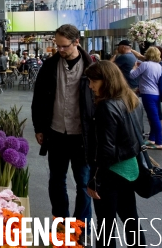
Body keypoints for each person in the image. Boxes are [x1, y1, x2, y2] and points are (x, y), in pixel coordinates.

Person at [32, 24, 93, 232]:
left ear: (76, 42)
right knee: (56, 181)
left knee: (84, 183)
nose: (59, 50)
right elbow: (38, 98)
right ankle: (61, 223)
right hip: (56, 133)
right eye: (57, 46)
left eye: (64, 46)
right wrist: (39, 127)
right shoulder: (49, 66)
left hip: (82, 136)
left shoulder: (91, 67)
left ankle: (80, 226)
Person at [84, 61, 145, 248]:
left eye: (94, 81)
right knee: (130, 217)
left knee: (105, 224)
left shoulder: (106, 107)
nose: (90, 86)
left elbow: (106, 149)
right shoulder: (131, 99)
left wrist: (95, 179)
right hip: (130, 167)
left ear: (107, 80)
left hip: (110, 172)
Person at [129, 46, 162, 149]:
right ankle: (152, 139)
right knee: (153, 116)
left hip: (147, 94)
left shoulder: (145, 64)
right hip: (156, 93)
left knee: (153, 118)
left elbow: (132, 75)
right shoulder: (159, 66)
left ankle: (159, 142)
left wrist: (134, 67)